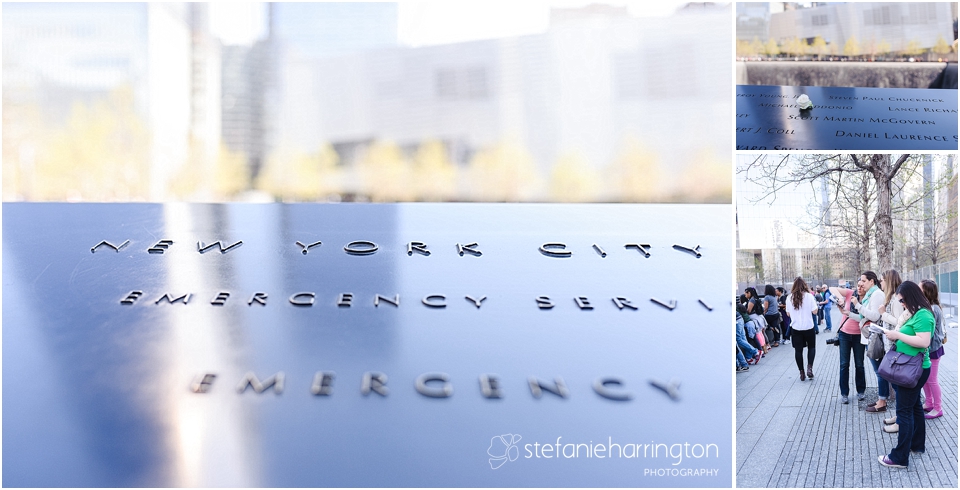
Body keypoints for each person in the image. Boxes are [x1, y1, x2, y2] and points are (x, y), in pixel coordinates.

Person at [878, 281, 933, 469]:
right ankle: (917, 445)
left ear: (911, 296)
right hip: (909, 367)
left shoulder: (923, 314)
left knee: (904, 412)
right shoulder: (916, 313)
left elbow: (923, 341)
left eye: (902, 300)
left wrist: (897, 335)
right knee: (915, 407)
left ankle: (899, 457)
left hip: (913, 369)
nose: (901, 303)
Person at [864, 270, 903, 414]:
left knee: (897, 384)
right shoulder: (891, 298)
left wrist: (883, 314)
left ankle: (901, 417)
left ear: (889, 281)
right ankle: (899, 416)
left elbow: (900, 322)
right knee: (895, 383)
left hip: (895, 347)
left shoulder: (896, 299)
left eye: (882, 280)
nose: (881, 283)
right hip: (890, 346)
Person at [829, 284, 865, 404]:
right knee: (844, 364)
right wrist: (840, 298)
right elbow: (832, 288)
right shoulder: (850, 293)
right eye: (858, 285)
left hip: (859, 334)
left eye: (862, 285)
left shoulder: (867, 299)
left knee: (859, 364)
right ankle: (844, 393)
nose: (859, 288)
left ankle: (861, 391)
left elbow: (865, 317)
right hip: (844, 334)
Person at [919, 279, 945, 419]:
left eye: (920, 288)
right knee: (926, 379)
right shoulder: (928, 307)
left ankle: (938, 407)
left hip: (933, 349)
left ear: (926, 292)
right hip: (929, 349)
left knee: (932, 379)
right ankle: (929, 403)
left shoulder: (933, 309)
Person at [786, 277, 818, 381]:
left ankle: (801, 372)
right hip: (809, 326)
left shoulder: (789, 297)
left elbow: (788, 313)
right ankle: (810, 368)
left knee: (798, 351)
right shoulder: (809, 296)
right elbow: (815, 312)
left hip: (796, 328)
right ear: (804, 285)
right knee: (811, 347)